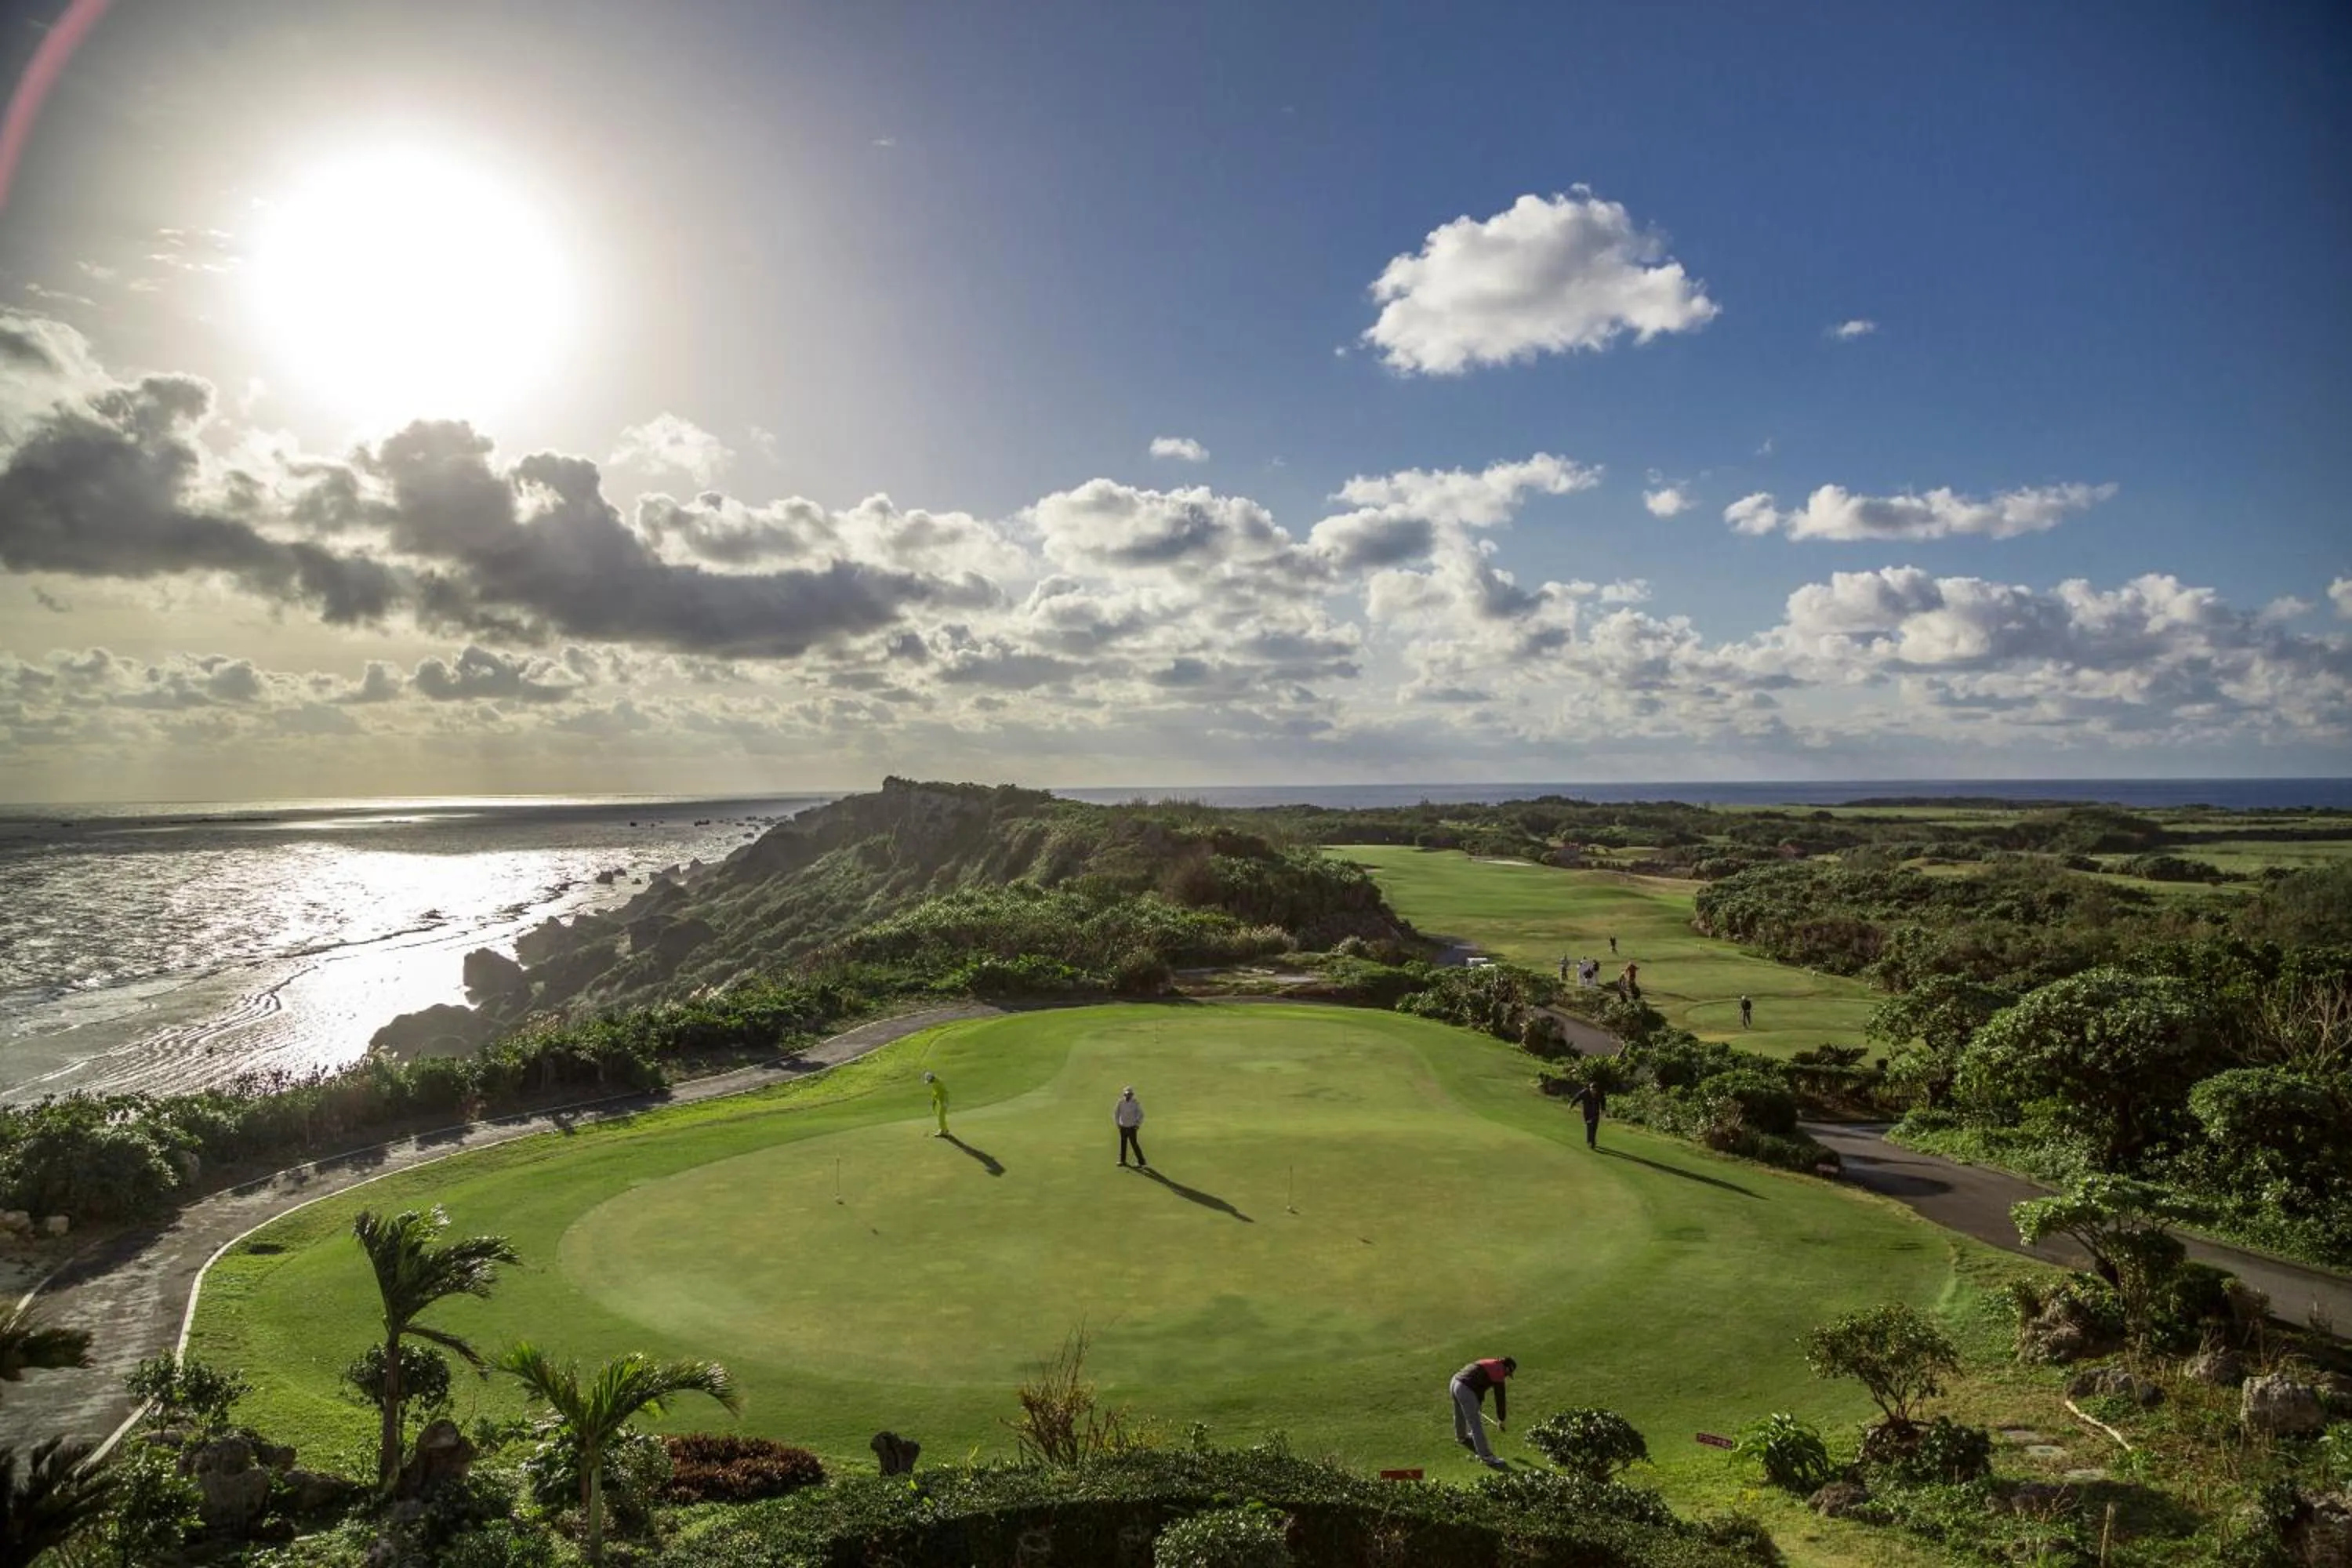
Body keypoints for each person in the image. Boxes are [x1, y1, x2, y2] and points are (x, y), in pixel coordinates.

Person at [1449, 1356, 1515, 1468]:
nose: (1506, 1376)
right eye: (1507, 1374)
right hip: (1465, 1388)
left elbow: (1478, 1385)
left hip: (1455, 1382)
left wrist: (1477, 1405)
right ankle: (1487, 1457)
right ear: (1507, 1368)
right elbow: (1500, 1399)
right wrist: (1501, 1419)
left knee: (1459, 1412)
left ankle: (1461, 1437)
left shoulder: (1491, 1363)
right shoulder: (1499, 1372)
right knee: (1476, 1425)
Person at [1115, 1085, 1147, 1169]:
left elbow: (1141, 1114)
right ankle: (1122, 1160)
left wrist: (1137, 1124)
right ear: (1124, 1094)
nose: (1127, 1096)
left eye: (1129, 1094)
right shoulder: (1120, 1102)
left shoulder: (1135, 1103)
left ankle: (1141, 1162)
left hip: (1132, 1127)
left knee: (1134, 1144)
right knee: (1123, 1143)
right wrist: (1118, 1123)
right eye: (1126, 1094)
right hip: (1123, 1126)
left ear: (1132, 1095)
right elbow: (1116, 1113)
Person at [1570, 1080, 1606, 1148]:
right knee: (1589, 1126)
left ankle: (1592, 1140)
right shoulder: (1584, 1092)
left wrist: (1603, 1109)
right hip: (1587, 1112)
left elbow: (1603, 1101)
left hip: (1596, 1112)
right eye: (1592, 1089)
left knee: (1594, 1127)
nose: (1593, 1092)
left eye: (1595, 1090)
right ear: (1590, 1088)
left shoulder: (1600, 1094)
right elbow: (1577, 1098)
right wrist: (1571, 1105)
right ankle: (1591, 1141)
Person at [925, 1071, 949, 1138]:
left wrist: (934, 1101)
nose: (929, 1083)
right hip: (942, 1100)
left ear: (931, 1079)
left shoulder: (937, 1083)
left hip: (944, 1100)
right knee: (941, 1116)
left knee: (941, 1117)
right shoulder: (935, 1081)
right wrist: (934, 1101)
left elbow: (939, 1093)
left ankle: (943, 1131)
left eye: (929, 1081)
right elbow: (935, 1093)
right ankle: (945, 1129)